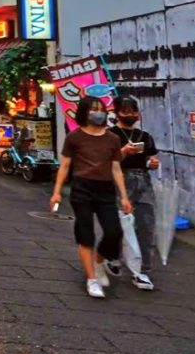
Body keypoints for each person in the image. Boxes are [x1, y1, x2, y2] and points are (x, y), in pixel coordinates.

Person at [49, 96, 134, 299]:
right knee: (86, 234)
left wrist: (124, 197)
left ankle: (98, 261)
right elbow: (65, 166)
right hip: (82, 188)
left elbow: (116, 169)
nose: (98, 112)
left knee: (114, 232)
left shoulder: (112, 139)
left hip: (105, 189)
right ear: (84, 112)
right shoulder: (75, 137)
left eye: (101, 109)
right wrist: (57, 192)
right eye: (93, 109)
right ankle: (91, 279)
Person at [111, 96, 158, 291]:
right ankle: (112, 257)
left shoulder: (145, 136)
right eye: (125, 111)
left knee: (146, 226)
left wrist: (153, 163)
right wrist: (123, 152)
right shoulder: (111, 135)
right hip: (119, 180)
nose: (129, 114)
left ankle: (142, 271)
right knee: (118, 225)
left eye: (132, 111)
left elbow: (152, 159)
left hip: (143, 182)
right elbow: (108, 161)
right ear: (116, 113)